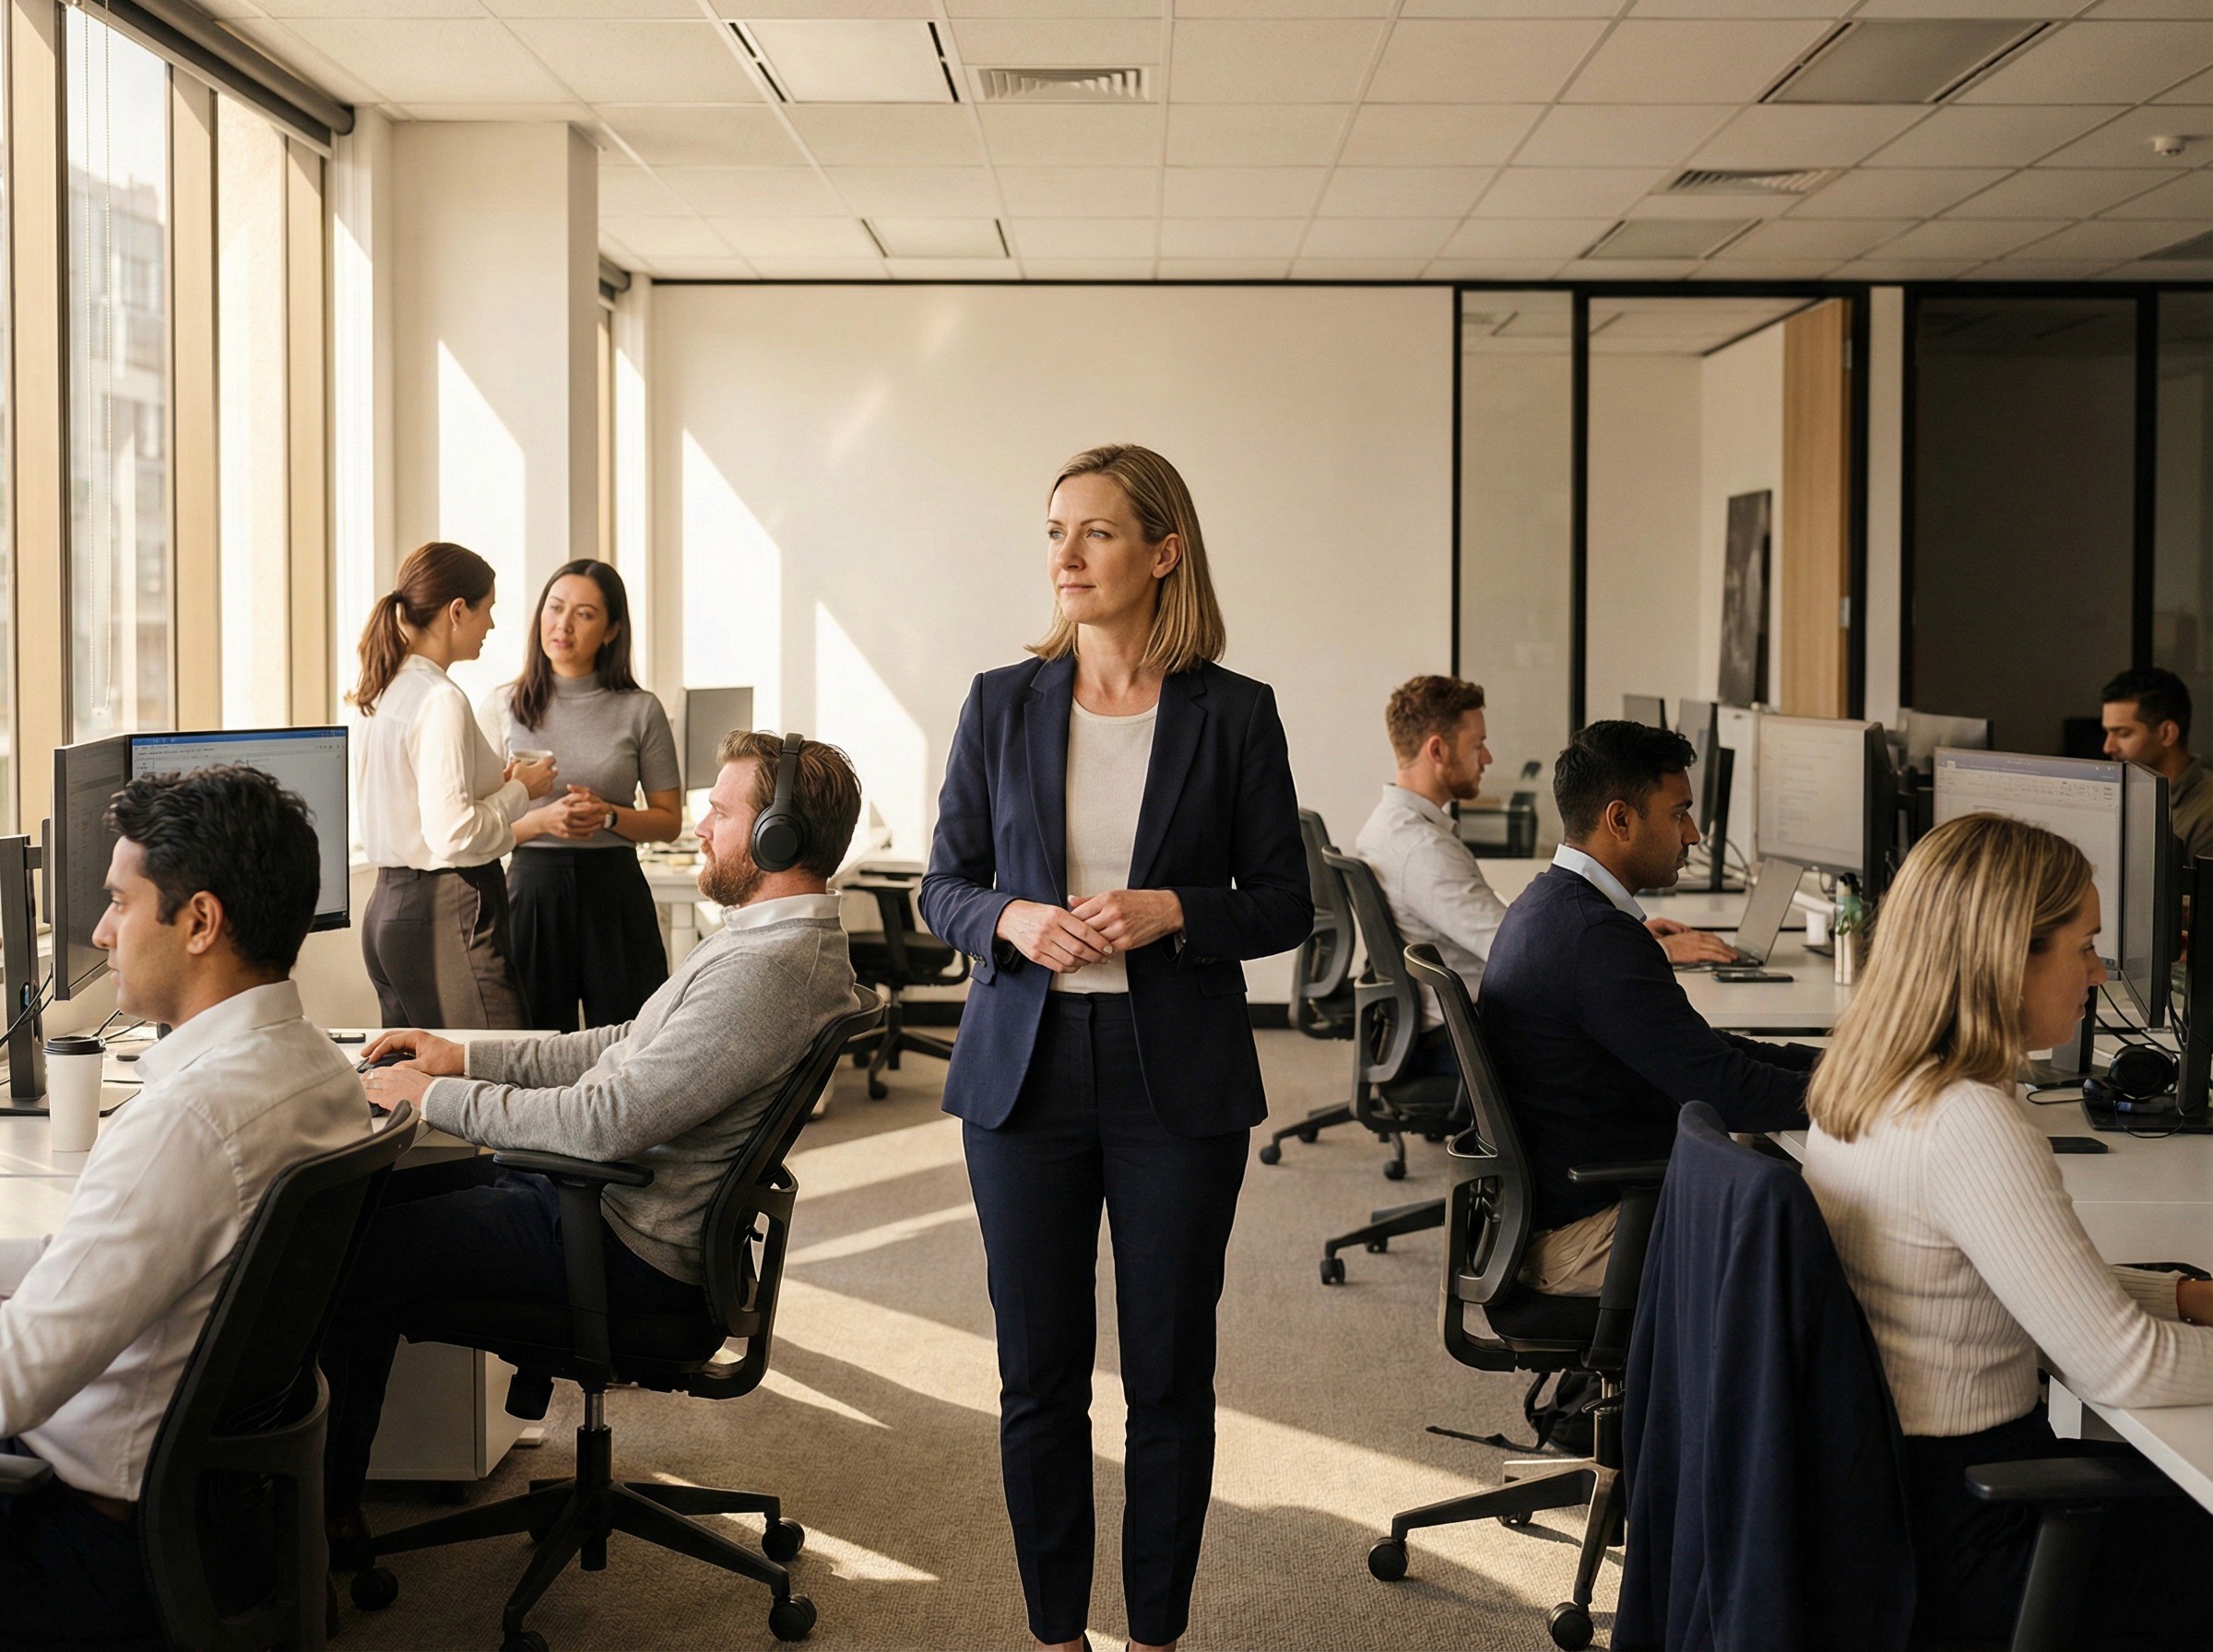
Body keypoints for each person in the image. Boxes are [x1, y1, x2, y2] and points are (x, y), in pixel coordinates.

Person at [919, 444, 1309, 1652]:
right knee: (1038, 1376)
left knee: (1166, 1380)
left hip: (1173, 1076)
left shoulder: (1234, 713)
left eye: (1094, 533)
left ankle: (1152, 1636)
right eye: (1054, 534)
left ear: (1163, 552)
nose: (1067, 557)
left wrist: (1176, 908)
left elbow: (1288, 902)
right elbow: (943, 889)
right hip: (1022, 1076)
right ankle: (1055, 1635)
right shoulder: (1001, 702)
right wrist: (1014, 919)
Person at [324, 731, 869, 1547]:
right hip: (614, 1212)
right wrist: (461, 1053)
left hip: (627, 1248)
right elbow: (618, 1045)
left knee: (344, 1252)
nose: (703, 828)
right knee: (359, 1202)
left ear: (776, 836)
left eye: (721, 813)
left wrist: (437, 1097)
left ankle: (317, 1530)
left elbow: (599, 1124)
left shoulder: (770, 970)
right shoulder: (765, 941)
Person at [1803, 813, 2213, 1646]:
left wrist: (2179, 1294)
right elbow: (2121, 1364)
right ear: (2005, 957)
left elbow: (1989, 1279)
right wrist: (2152, 1319)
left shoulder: (1871, 1079)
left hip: (1906, 1502)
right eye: (2084, 945)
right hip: (1985, 1529)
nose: (2098, 972)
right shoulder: (1967, 1122)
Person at [0, 768, 367, 1641]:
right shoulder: (320, 1073)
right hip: (220, 1519)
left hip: (91, 1543)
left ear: (200, 922)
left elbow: (16, 1379)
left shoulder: (188, 1125)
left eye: (121, 903)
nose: (99, 930)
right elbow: (106, 1267)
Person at [1478, 720, 1817, 1295]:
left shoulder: (1551, 903)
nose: (1695, 834)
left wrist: (1844, 1067)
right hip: (1589, 1232)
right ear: (1620, 820)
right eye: (1679, 812)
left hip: (1563, 1208)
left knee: (1784, 1179)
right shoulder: (1594, 938)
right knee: (1829, 1223)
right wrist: (1873, 1095)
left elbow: (1700, 1054)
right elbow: (1725, 1091)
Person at [1355, 675, 1734, 1079]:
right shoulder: (1422, 849)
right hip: (1461, 1043)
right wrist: (1643, 951)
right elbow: (1514, 948)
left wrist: (1618, 937)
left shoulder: (1390, 826)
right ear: (1437, 749)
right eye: (1477, 745)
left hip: (1451, 1026)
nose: (1487, 759)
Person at [353, 541, 559, 1029]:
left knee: (411, 1083)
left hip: (387, 909)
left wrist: (501, 788)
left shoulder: (382, 689)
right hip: (446, 911)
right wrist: (521, 792)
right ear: (457, 611)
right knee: (505, 1075)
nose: (491, 625)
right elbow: (455, 833)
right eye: (488, 610)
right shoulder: (439, 699)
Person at [479, 559, 682, 1030]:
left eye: (584, 614)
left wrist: (609, 815)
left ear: (612, 630)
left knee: (631, 1044)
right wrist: (542, 822)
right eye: (555, 608)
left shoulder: (640, 709)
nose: (563, 624)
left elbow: (669, 820)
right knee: (532, 1047)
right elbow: (479, 825)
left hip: (614, 890)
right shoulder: (503, 707)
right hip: (531, 889)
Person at [2101, 665, 2213, 863]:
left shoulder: (2206, 812)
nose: (2108, 747)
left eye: (2123, 733)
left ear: (2167, 733)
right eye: (2108, 732)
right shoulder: (2118, 795)